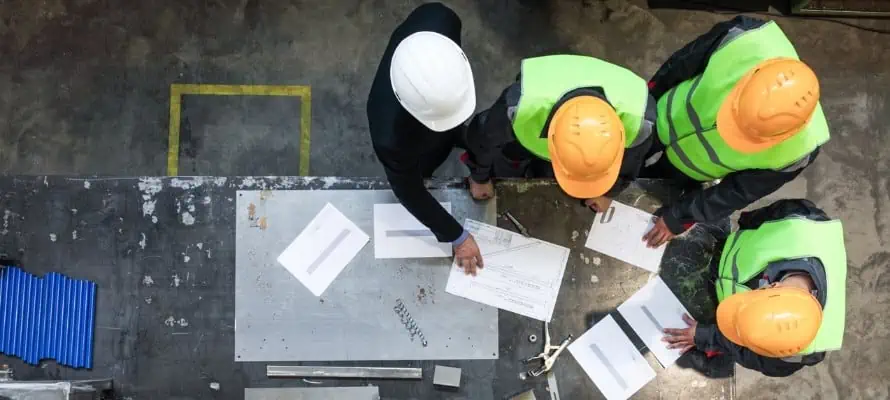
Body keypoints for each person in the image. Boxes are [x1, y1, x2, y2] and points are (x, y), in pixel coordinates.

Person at [640, 16, 830, 248]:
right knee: (629, 154)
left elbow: (735, 193)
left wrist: (679, 217)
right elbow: (679, 64)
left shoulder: (798, 151)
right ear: (748, 80)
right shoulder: (745, 39)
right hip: (663, 114)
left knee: (657, 186)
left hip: (691, 167)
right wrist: (644, 104)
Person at [662, 199, 846, 377]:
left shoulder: (794, 352)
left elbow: (749, 353)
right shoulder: (802, 220)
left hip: (719, 300)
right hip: (724, 251)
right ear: (771, 285)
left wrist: (705, 336)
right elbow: (757, 218)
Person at [367, 3, 484, 275]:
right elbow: (409, 190)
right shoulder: (391, 135)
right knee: (423, 170)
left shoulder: (441, 18)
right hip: (410, 135)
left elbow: (457, 128)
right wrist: (458, 237)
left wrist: (480, 170)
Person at [462, 54, 655, 210]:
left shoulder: (640, 121)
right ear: (550, 140)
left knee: (549, 178)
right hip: (526, 128)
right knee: (508, 165)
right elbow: (483, 139)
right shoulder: (520, 106)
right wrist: (480, 178)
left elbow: (631, 163)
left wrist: (607, 191)